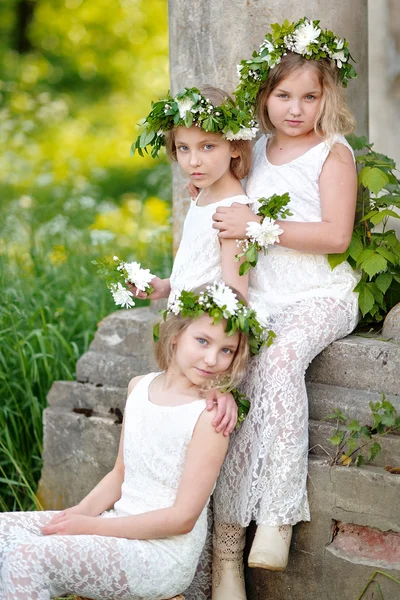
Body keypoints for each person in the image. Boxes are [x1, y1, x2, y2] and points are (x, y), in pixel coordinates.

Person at [209, 18, 361, 599]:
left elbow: (335, 236)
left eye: (309, 96)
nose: (295, 108)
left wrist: (260, 226)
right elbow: (221, 212)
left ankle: (275, 515)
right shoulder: (253, 149)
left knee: (279, 362)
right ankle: (226, 555)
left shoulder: (333, 153)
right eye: (283, 95)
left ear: (326, 98)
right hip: (264, 295)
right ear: (265, 97)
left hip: (321, 293)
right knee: (231, 384)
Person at [0, 283, 263, 600]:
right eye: (203, 341)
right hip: (117, 525)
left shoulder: (209, 418)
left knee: (28, 556)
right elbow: (120, 474)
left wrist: (90, 527)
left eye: (226, 350)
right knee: (4, 534)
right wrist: (78, 514)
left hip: (160, 555)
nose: (211, 359)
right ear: (176, 333)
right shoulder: (138, 387)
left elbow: (182, 519)